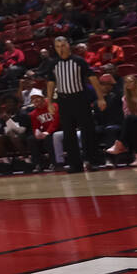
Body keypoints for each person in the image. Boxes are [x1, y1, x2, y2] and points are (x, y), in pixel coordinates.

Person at [44, 35, 103, 172]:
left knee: (88, 131)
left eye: (63, 45)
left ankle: (93, 161)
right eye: (58, 47)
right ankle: (75, 164)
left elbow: (93, 78)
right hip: (64, 101)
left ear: (68, 46)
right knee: (68, 134)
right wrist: (50, 102)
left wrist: (100, 98)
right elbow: (51, 84)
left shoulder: (79, 61)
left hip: (80, 99)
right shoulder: (53, 64)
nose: (61, 49)